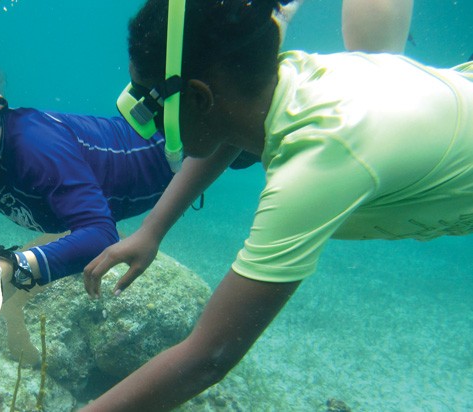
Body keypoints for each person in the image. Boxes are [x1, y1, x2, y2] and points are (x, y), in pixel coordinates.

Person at [81, 0, 473, 410]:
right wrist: (152, 230)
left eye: (149, 101)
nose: (145, 118)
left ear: (196, 98)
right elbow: (225, 125)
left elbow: (208, 358)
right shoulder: (281, 80)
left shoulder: (317, 163)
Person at [0, 10, 235, 303]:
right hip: (174, 152)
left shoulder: (35, 147)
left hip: (179, 142)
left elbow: (100, 233)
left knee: (242, 133)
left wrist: (11, 269)